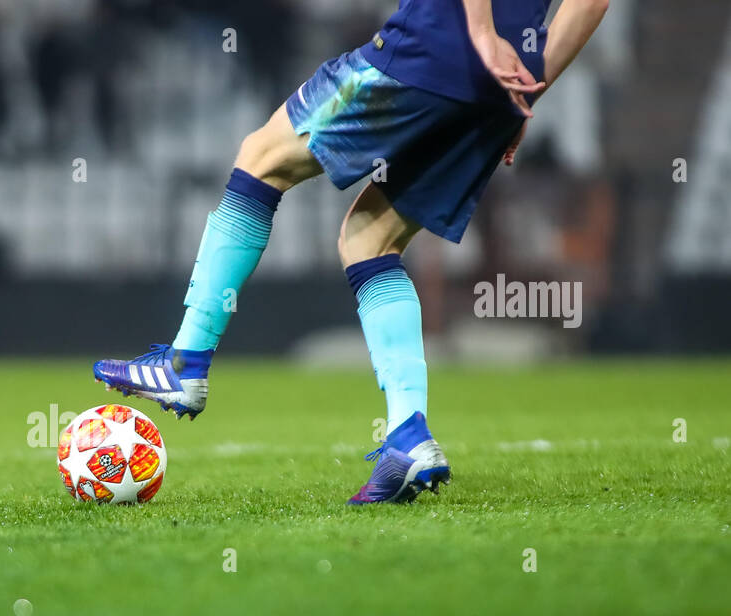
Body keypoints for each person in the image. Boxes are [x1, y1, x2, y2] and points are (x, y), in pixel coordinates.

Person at [92, 0, 611, 503]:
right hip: (502, 87)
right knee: (371, 240)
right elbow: (592, 3)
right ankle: (409, 436)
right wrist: (525, 94)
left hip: (436, 46)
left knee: (262, 158)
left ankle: (187, 361)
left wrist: (479, 33)